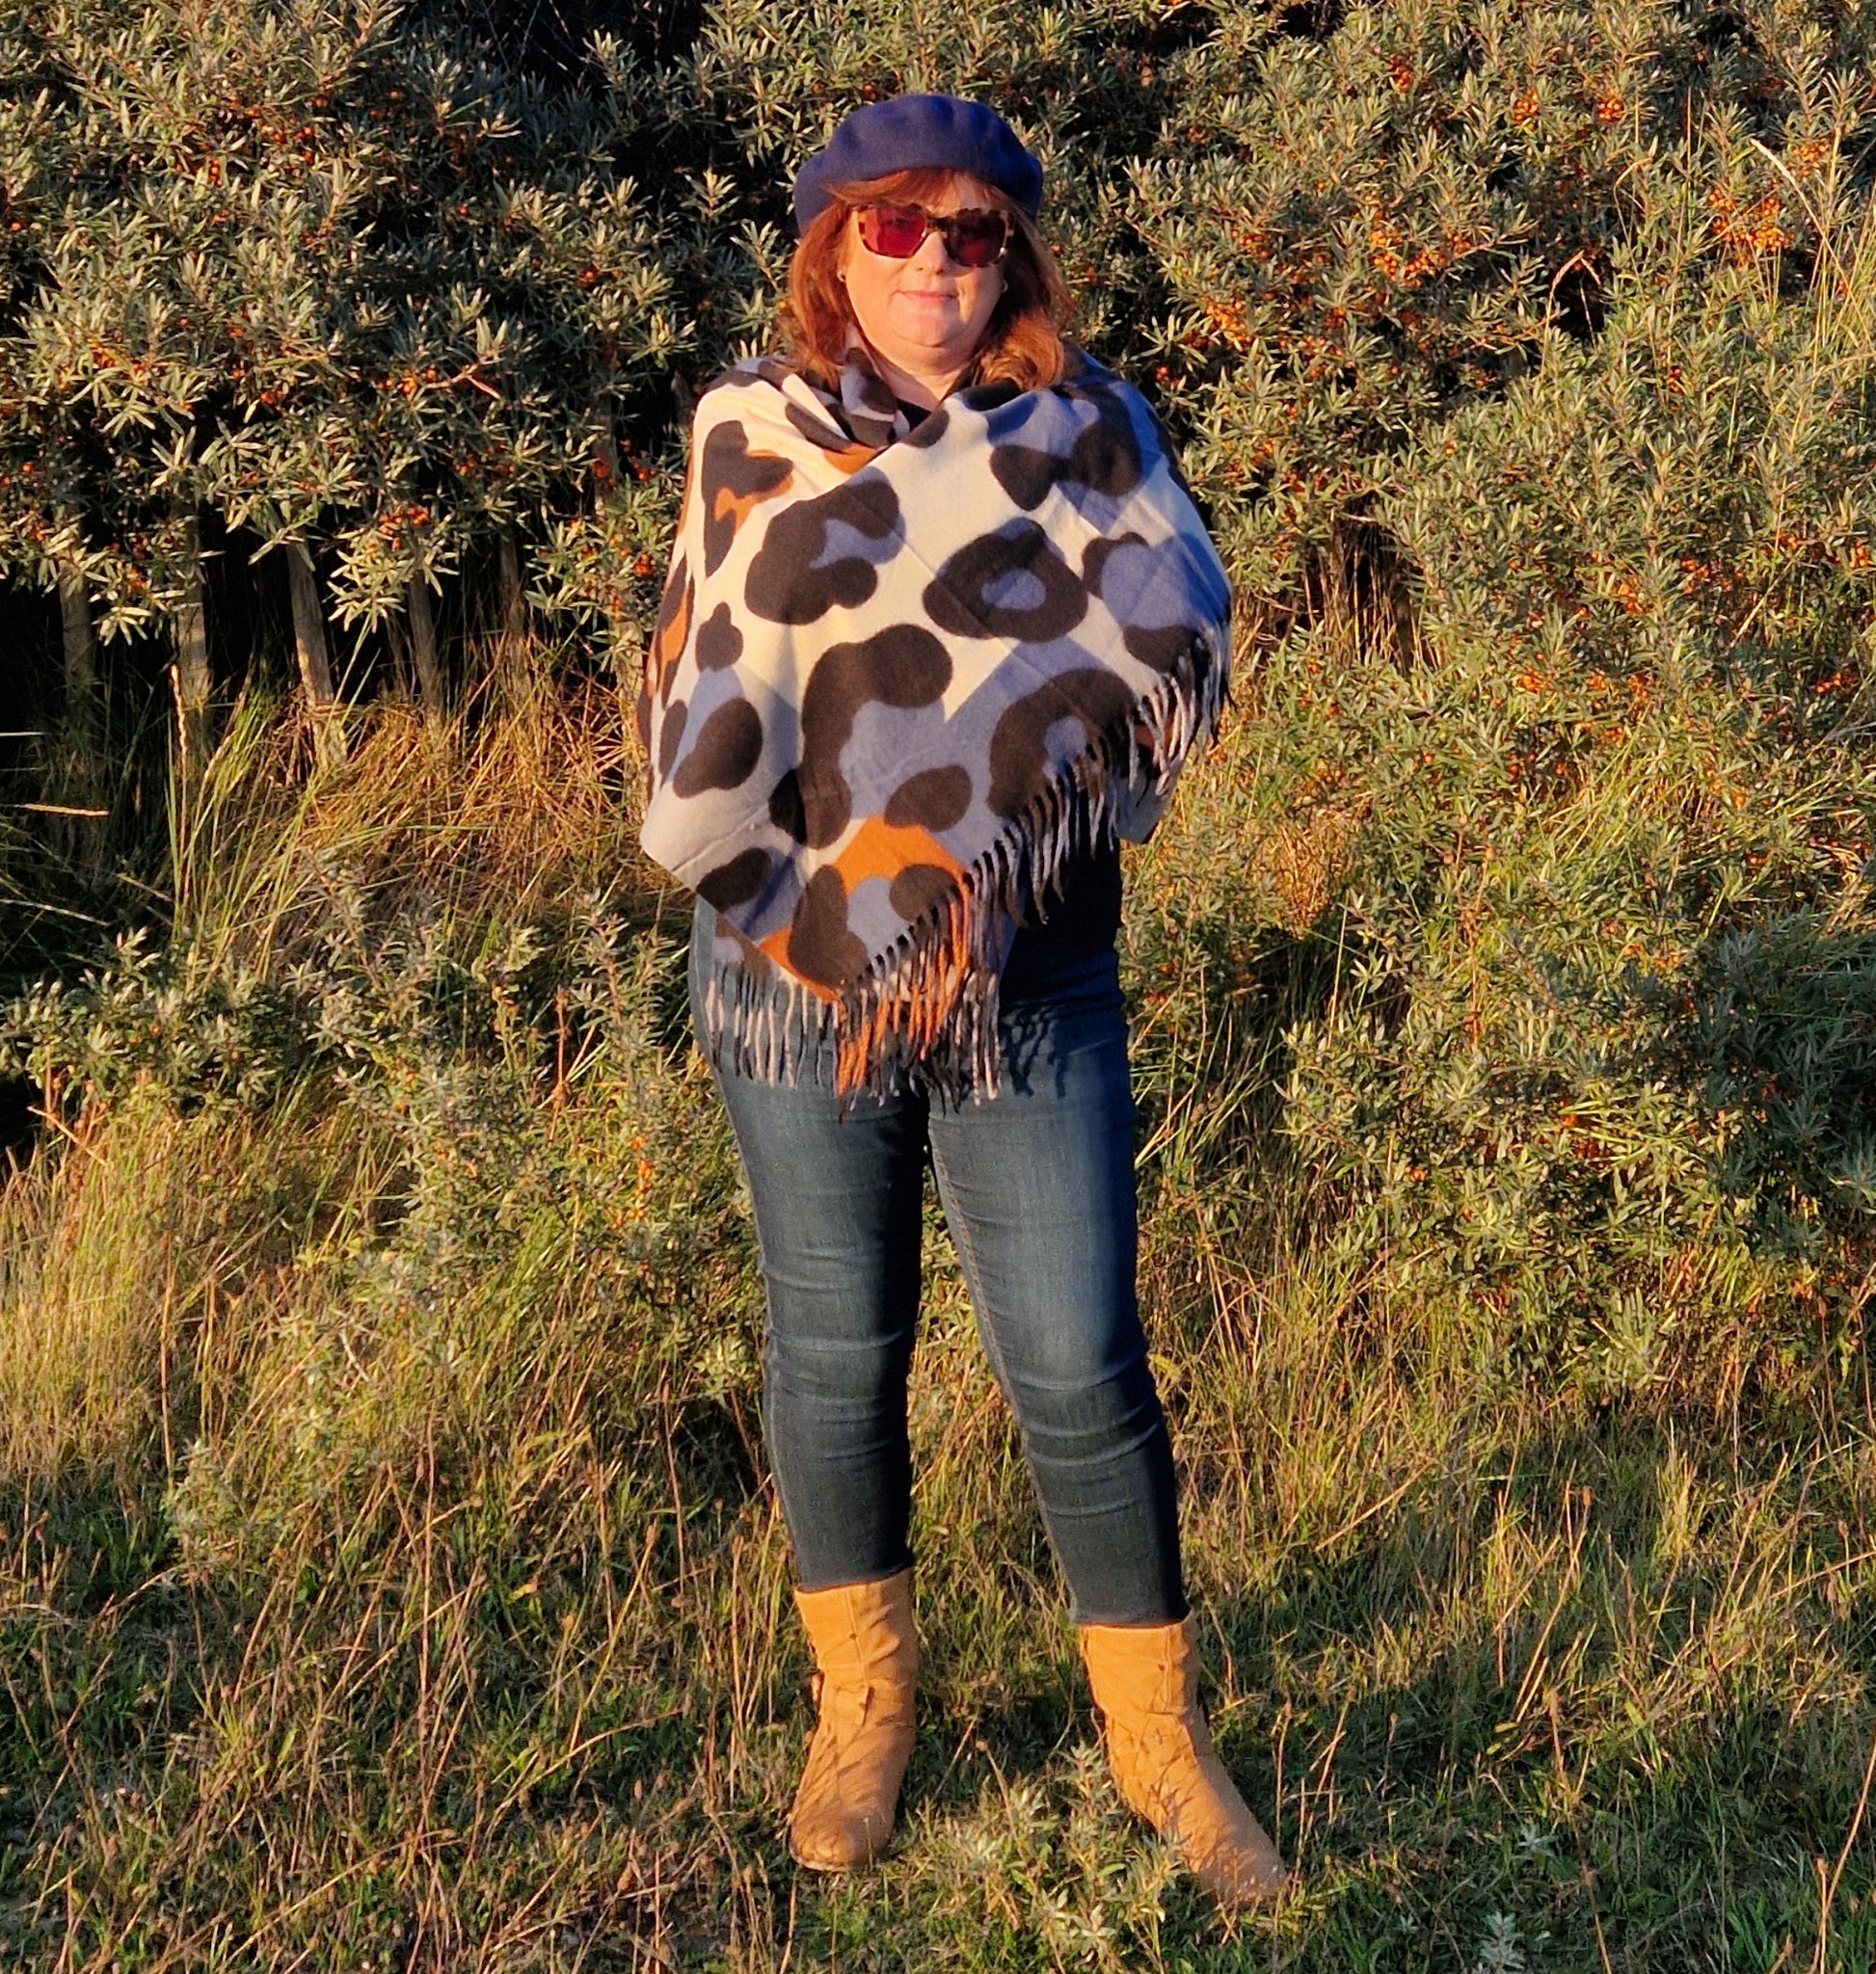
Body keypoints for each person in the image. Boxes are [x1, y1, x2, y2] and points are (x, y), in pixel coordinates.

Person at [637, 93, 1287, 1909]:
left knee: (1078, 1362)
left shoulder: (1091, 433)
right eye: (897, 229)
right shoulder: (748, 429)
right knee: (837, 1352)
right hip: (792, 969)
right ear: (836, 248)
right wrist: (801, 897)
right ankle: (865, 1708)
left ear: (1015, 249)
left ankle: (1157, 1741)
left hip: (1034, 959)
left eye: (972, 230)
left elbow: (1177, 634)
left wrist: (993, 870)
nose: (936, 263)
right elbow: (702, 701)